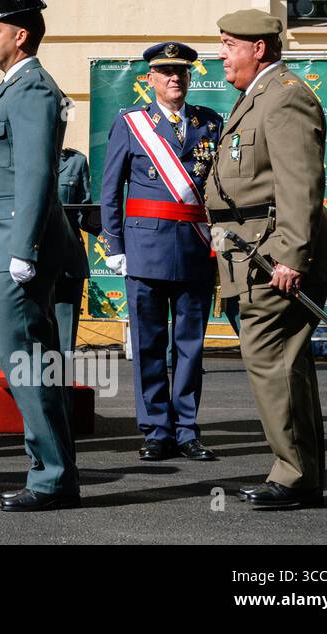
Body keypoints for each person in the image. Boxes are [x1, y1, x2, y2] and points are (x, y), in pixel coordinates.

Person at [205, 9, 327, 510]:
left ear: (258, 48)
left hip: (273, 257)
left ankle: (295, 475)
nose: (221, 53)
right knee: (283, 365)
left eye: (227, 43)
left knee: (274, 362)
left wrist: (290, 256)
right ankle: (299, 471)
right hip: (251, 255)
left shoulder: (285, 97)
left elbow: (299, 184)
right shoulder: (257, 97)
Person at [0, 0, 80, 512]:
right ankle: (52, 470)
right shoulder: (13, 87)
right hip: (6, 239)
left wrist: (25, 247)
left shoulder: (32, 88)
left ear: (21, 35)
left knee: (28, 365)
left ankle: (51, 477)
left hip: (18, 244)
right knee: (30, 365)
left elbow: (36, 173)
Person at [99, 42, 223, 463]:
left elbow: (219, 188)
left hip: (194, 248)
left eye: (182, 72)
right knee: (149, 344)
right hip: (145, 248)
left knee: (190, 346)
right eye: (166, 72)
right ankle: (156, 430)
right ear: (149, 79)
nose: (175, 78)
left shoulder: (209, 123)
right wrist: (113, 244)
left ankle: (187, 429)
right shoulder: (132, 123)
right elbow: (111, 187)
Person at [55, 148, 96, 359]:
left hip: (68, 259)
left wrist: (101, 219)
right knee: (34, 338)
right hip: (29, 260)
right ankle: (35, 391)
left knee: (64, 341)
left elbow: (84, 212)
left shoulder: (76, 161)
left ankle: (63, 390)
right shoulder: (19, 155)